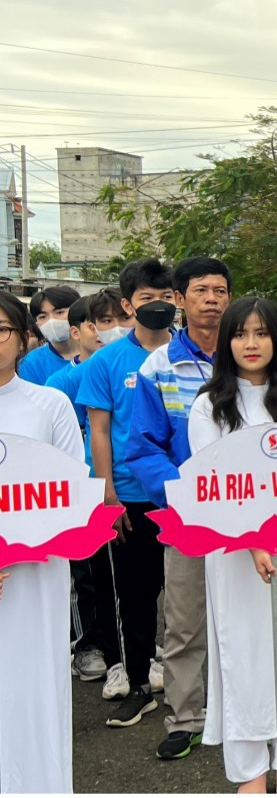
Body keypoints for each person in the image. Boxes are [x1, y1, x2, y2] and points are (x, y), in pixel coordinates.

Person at [188, 297, 277, 794]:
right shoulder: (209, 405)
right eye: (240, 334)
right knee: (242, 648)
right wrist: (251, 541)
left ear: (276, 338)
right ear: (226, 342)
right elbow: (212, 482)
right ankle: (249, 770)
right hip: (233, 550)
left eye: (261, 333)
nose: (251, 344)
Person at [124, 256, 233, 759]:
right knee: (184, 619)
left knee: (245, 615)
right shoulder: (157, 366)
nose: (212, 298)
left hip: (247, 512)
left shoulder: (248, 356)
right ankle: (186, 716)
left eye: (220, 290)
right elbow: (143, 448)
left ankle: (243, 710)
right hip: (187, 514)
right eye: (201, 290)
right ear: (179, 300)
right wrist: (184, 494)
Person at [77, 260, 176, 729]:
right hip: (131, 500)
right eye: (147, 298)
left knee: (187, 595)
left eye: (166, 296)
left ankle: (192, 688)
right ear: (126, 304)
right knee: (135, 594)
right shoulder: (106, 363)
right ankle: (139, 683)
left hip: (185, 496)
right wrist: (109, 497)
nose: (158, 305)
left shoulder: (193, 353)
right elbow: (99, 432)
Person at [0, 290, 86, 793]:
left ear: (23, 337)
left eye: (1, 330)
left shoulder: (49, 403)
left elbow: (72, 490)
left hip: (36, 571)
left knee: (35, 685)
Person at [44, 292, 116, 685]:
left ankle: (120, 643)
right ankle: (88, 644)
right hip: (78, 487)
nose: (106, 330)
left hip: (118, 485)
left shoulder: (124, 368)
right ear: (78, 331)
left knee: (121, 572)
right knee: (85, 572)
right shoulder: (60, 383)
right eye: (97, 323)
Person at [19, 286, 82, 385]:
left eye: (59, 312)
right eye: (43, 316)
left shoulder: (99, 353)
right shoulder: (30, 364)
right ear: (37, 324)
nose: (52, 321)